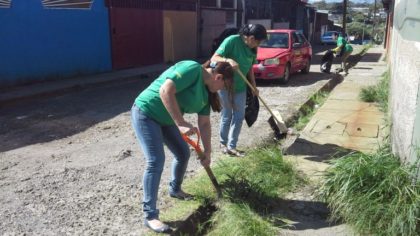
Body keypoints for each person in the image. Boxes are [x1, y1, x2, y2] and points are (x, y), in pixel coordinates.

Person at [131, 60, 234, 233]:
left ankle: (175, 189)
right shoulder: (192, 69)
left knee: (183, 153)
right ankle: (150, 215)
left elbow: (205, 124)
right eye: (224, 85)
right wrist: (180, 122)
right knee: (156, 161)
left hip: (167, 119)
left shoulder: (206, 95)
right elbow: (165, 91)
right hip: (146, 113)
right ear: (219, 77)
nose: (222, 90)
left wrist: (208, 152)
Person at [211, 24, 267, 157]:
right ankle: (223, 144)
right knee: (227, 115)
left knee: (239, 116)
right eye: (258, 42)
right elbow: (214, 58)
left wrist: (254, 86)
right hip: (224, 86)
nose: (259, 45)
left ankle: (232, 146)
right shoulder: (232, 40)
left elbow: (249, 69)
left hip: (241, 87)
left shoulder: (253, 49)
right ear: (251, 38)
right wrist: (228, 60)